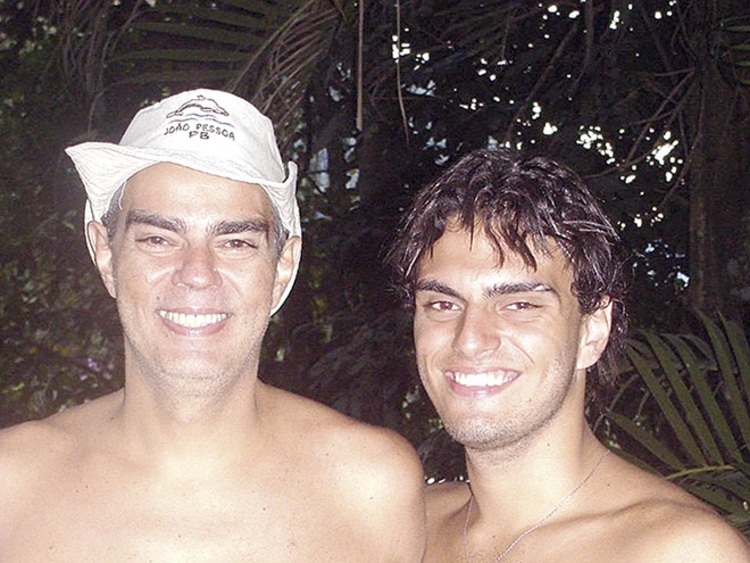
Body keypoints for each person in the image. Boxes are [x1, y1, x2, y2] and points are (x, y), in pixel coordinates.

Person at [0, 89, 425, 562]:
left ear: (282, 266)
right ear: (106, 254)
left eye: (236, 242)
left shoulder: (370, 487)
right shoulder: (12, 486)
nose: (197, 273)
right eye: (158, 239)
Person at [386, 147, 750, 562]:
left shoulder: (677, 551)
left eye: (519, 305)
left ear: (592, 331)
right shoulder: (406, 529)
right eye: (443, 304)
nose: (469, 340)